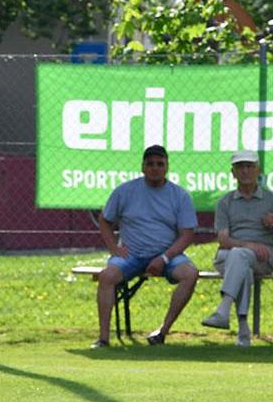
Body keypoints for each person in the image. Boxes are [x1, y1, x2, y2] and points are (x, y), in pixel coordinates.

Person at [93, 144, 199, 348]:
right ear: (142, 167)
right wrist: (114, 248)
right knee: (107, 277)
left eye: (160, 164)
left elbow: (186, 235)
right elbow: (105, 220)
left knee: (190, 274)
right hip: (131, 254)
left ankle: (162, 332)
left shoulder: (180, 195)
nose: (155, 168)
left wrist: (164, 258)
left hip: (167, 255)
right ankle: (103, 338)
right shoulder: (125, 191)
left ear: (167, 167)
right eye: (150, 164)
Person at [200, 149, 273, 347]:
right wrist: (249, 245)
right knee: (241, 262)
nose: (245, 171)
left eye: (249, 166)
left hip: (265, 257)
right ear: (233, 173)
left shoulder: (271, 199)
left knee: (239, 257)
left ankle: (224, 311)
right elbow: (223, 240)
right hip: (232, 255)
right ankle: (243, 328)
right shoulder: (225, 202)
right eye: (240, 167)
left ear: (258, 170)